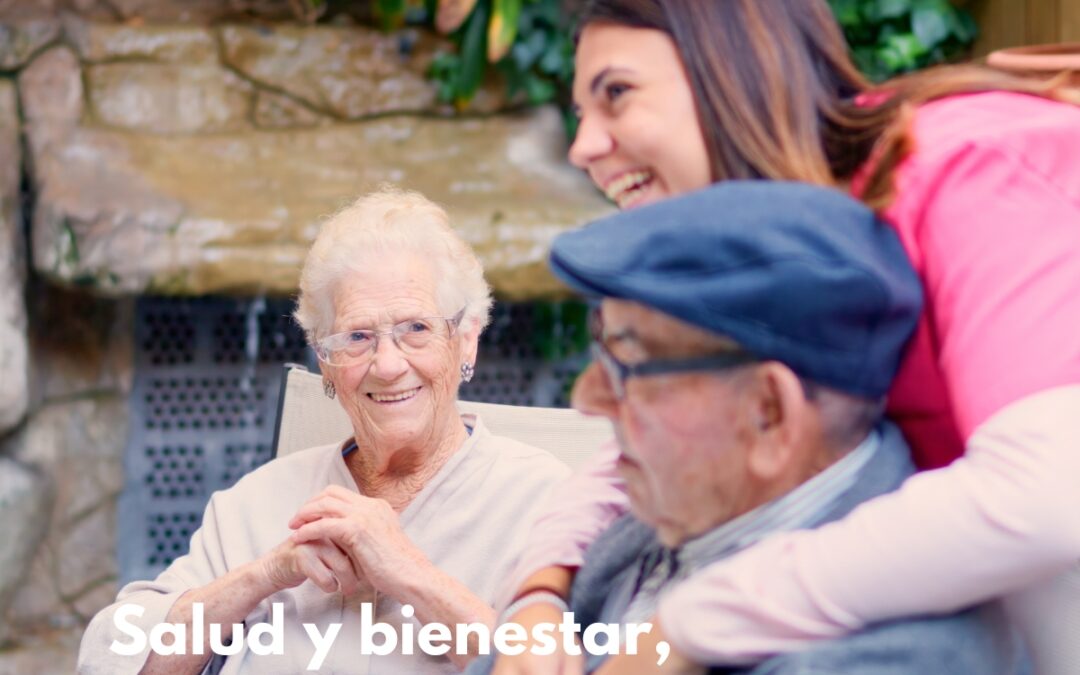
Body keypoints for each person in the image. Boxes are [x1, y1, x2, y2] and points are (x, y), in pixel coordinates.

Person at [495, 0, 1080, 672]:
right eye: (579, 114)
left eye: (617, 95)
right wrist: (539, 592)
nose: (582, 147)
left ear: (735, 72)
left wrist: (687, 624)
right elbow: (658, 431)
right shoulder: (799, 243)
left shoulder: (966, 161)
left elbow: (1045, 499)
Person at [79, 187, 571, 674]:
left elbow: (571, 665)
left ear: (466, 342)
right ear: (326, 362)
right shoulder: (259, 502)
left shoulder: (544, 504)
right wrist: (265, 575)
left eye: (416, 329)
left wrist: (408, 572)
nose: (387, 364)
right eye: (357, 337)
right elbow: (109, 658)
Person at [550, 181, 1018, 674]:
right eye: (599, 345)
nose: (587, 398)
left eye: (628, 362)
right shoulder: (677, 515)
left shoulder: (900, 655)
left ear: (768, 413)